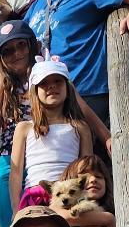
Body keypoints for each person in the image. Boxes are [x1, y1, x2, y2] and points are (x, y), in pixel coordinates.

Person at [0, 22, 110, 227]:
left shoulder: (50, 72)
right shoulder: (0, 80)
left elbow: (82, 108)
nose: (16, 53)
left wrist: (105, 135)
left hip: (52, 147)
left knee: (64, 189)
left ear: (31, 45)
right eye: (8, 51)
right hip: (14, 148)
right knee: (3, 183)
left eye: (21, 46)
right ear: (1, 58)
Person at [11, 57, 98, 203]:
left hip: (69, 196)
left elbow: (85, 172)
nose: (52, 86)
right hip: (35, 195)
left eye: (58, 81)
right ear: (35, 91)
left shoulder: (80, 127)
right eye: (44, 83)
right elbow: (16, 173)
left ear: (67, 87)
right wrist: (15, 208)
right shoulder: (24, 128)